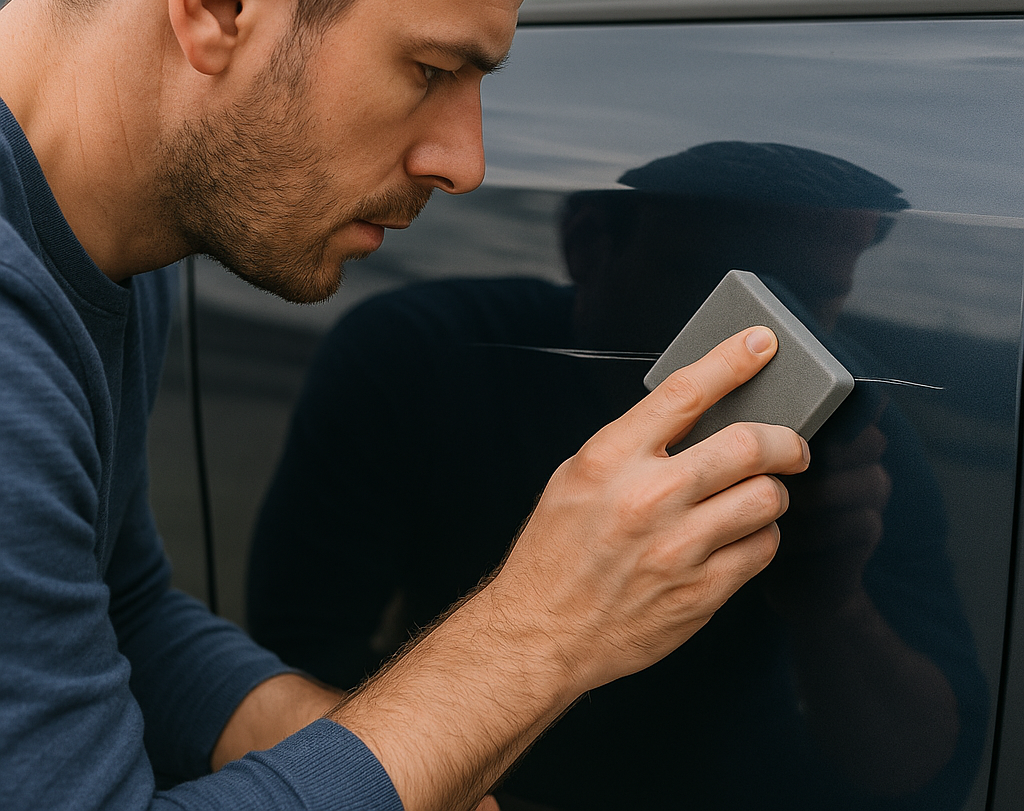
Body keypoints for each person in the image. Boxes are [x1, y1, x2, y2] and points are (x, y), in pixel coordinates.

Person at [0, 0, 809, 811]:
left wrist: (381, 754)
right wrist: (538, 632)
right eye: (429, 68)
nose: (463, 161)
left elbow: (120, 610)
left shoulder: (107, 231)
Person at [248, 144, 988, 810]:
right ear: (588, 244)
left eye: (813, 303)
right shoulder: (422, 355)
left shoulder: (856, 438)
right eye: (720, 292)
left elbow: (924, 774)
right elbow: (291, 676)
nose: (764, 348)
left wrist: (833, 603)